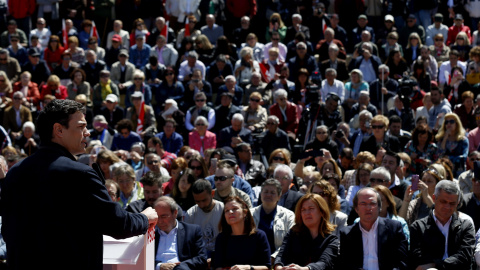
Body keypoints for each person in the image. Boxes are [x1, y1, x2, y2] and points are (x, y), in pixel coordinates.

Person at [1, 99, 158, 270]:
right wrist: (144, 218)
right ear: (59, 130)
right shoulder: (80, 174)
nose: (87, 133)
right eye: (81, 126)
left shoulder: (15, 173)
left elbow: (8, 231)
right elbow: (117, 224)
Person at [409, 180, 475, 269]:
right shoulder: (418, 227)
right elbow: (418, 258)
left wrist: (436, 264)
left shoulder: (465, 226)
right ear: (433, 198)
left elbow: (465, 257)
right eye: (443, 201)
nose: (447, 207)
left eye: (452, 203)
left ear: (457, 203)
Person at [339, 187, 408, 269]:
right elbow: (346, 265)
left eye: (372, 203)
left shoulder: (393, 228)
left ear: (379, 207)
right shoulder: (347, 233)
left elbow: (401, 263)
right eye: (363, 203)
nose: (368, 208)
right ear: (356, 209)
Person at [273, 193, 339, 270]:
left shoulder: (332, 240)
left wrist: (303, 269)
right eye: (303, 210)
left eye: (311, 208)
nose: (306, 213)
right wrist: (279, 267)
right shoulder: (293, 233)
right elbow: (281, 256)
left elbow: (324, 263)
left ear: (322, 212)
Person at [213, 196, 271, 270]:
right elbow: (218, 266)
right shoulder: (221, 238)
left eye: (234, 209)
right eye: (227, 210)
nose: (230, 212)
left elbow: (267, 266)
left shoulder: (259, 236)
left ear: (245, 213)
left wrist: (249, 267)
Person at [153, 196, 208, 270]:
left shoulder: (192, 231)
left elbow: (201, 258)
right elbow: (142, 259)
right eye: (157, 216)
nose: (159, 221)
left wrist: (179, 267)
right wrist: (159, 266)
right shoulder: (150, 234)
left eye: (164, 216)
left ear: (175, 213)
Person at [250, 179, 295, 259]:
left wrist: (273, 258)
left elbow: (289, 242)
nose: (268, 195)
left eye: (272, 193)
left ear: (279, 196)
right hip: (252, 260)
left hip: (278, 261)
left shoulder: (289, 216)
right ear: (261, 194)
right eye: (266, 192)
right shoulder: (249, 214)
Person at [185, 179, 224, 258]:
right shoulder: (190, 214)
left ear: (212, 194)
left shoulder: (223, 209)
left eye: (204, 200)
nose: (201, 205)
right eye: (197, 201)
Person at [435, 113, 468, 177]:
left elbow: (464, 157)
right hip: (444, 171)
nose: (448, 124)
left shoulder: (463, 140)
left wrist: (449, 158)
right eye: (446, 122)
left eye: (451, 121)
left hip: (459, 171)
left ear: (457, 123)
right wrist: (445, 138)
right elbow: (439, 155)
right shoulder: (440, 139)